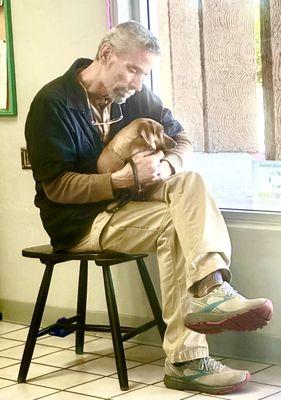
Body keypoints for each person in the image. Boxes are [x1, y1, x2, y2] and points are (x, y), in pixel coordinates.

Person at [25, 21, 273, 395]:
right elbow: (58, 187)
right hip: (80, 223)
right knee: (173, 227)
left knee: (191, 180)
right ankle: (186, 361)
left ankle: (212, 289)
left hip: (130, 204)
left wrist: (167, 166)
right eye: (134, 70)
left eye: (145, 73)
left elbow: (183, 139)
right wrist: (121, 180)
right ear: (106, 55)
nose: (139, 83)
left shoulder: (137, 98)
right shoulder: (52, 103)